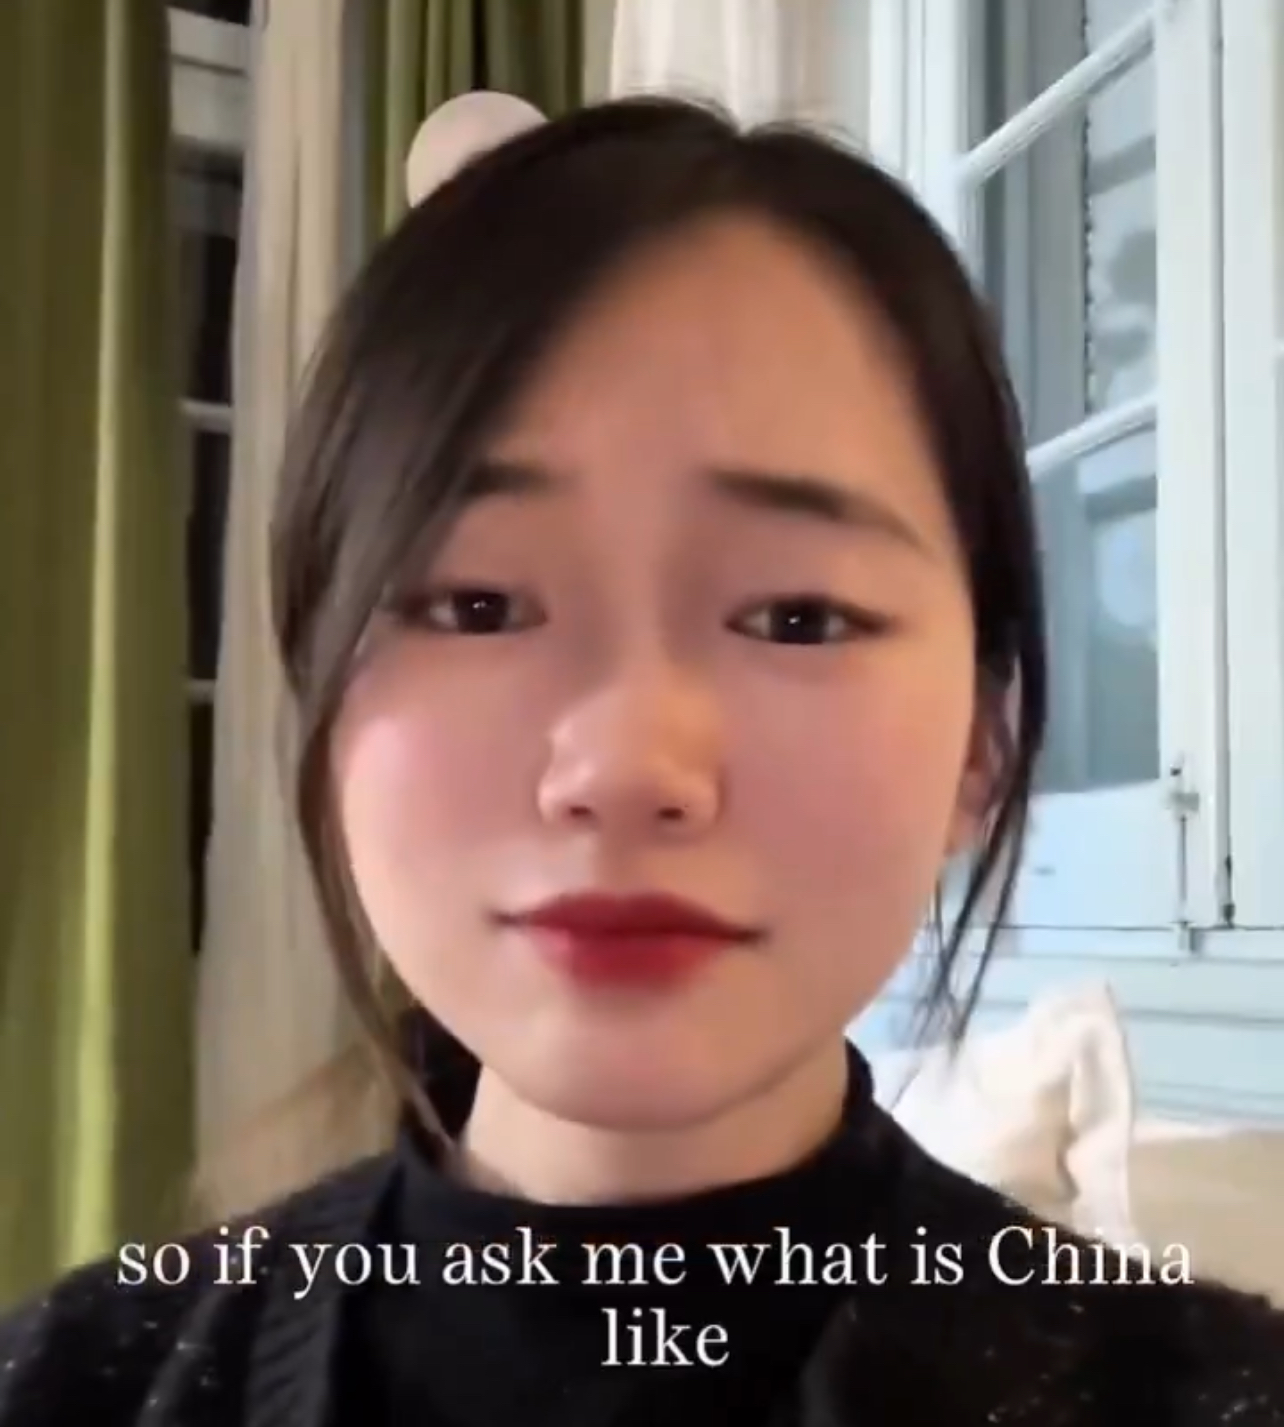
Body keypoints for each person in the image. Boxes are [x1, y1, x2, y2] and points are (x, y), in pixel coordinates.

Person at [2, 95, 1282, 1427]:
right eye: (478, 605)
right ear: (323, 708)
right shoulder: (70, 1383)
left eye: (798, 618)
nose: (622, 766)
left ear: (983, 743)